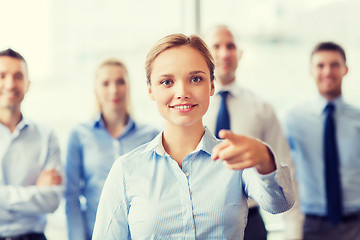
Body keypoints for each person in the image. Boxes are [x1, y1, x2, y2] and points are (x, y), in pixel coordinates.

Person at [92, 33, 294, 239]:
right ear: (150, 90)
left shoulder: (235, 160)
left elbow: (280, 203)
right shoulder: (126, 171)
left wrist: (264, 158)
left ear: (212, 85)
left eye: (195, 79)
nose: (182, 92)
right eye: (167, 82)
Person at [204, 25, 299, 239]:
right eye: (216, 46)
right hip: (203, 220)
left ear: (240, 53)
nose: (224, 53)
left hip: (252, 223)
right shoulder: (191, 108)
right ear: (205, 54)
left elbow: (284, 172)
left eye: (230, 46)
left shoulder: (261, 108)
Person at [65, 58, 159, 240]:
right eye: (106, 83)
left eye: (120, 82)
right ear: (96, 89)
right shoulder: (79, 134)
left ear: (129, 87)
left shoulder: (151, 135)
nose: (114, 89)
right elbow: (71, 196)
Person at [282, 42, 360, 240]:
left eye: (334, 65)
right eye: (320, 65)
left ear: (345, 69)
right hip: (311, 224)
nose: (328, 71)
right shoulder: (292, 119)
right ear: (311, 70)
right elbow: (279, 165)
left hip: (356, 223)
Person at [0, 48, 63, 240]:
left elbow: (53, 200)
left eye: (18, 76)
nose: (10, 84)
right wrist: (35, 193)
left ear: (28, 84)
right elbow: (43, 198)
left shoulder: (46, 135)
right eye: (2, 76)